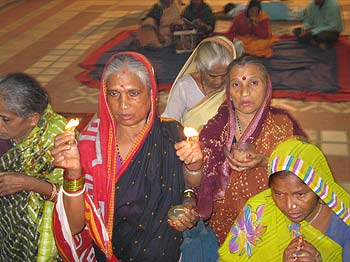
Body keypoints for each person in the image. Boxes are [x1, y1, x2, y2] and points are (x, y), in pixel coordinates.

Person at [51, 52, 203, 261]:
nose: (123, 105)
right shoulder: (89, 144)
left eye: (133, 93)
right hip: (111, 254)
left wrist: (194, 164)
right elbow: (75, 226)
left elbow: (190, 184)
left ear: (150, 94)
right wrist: (73, 173)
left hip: (163, 251)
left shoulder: (171, 133)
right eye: (114, 94)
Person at [195, 56, 307, 244]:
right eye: (236, 85)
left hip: (272, 223)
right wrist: (193, 164)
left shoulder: (283, 125)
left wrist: (266, 162)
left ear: (267, 86)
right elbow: (195, 182)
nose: (244, 92)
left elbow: (306, 174)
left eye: (253, 83)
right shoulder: (214, 130)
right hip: (222, 227)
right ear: (228, 91)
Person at [219, 138, 350, 261]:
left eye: (300, 194)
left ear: (319, 187)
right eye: (279, 194)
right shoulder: (258, 212)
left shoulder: (344, 223)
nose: (289, 206)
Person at [0, 73, 66, 260]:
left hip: (45, 235)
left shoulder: (59, 139)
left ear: (33, 119)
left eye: (5, 119)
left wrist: (29, 183)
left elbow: (76, 200)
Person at [161, 35, 237, 132]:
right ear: (201, 69)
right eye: (212, 76)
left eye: (225, 75)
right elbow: (170, 122)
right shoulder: (185, 86)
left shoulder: (235, 86)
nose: (219, 81)